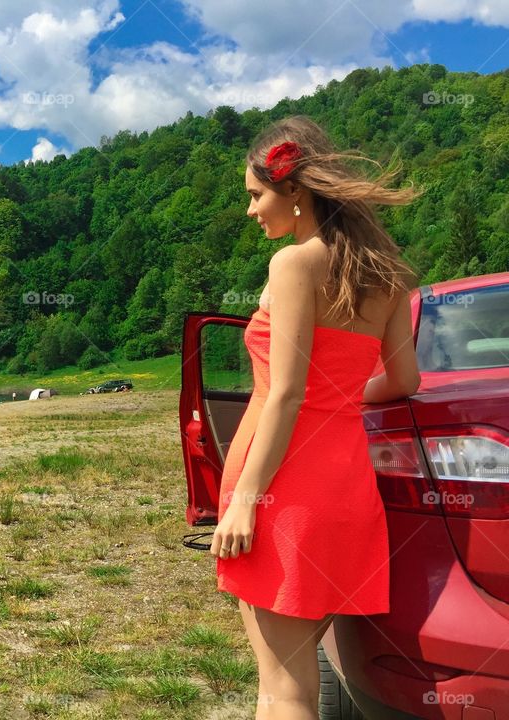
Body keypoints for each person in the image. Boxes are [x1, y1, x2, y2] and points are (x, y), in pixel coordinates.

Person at [209, 115, 422, 720]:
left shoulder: (294, 265)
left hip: (284, 492)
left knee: (285, 690)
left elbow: (286, 393)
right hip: (346, 493)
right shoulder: (390, 273)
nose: (251, 211)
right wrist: (345, 398)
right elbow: (405, 382)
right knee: (295, 680)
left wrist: (248, 498)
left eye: (256, 195)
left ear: (295, 192)